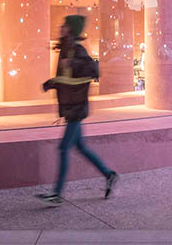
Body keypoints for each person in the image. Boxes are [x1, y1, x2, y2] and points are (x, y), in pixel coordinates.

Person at [36, 15, 118, 205]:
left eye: (64, 25)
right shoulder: (65, 48)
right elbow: (68, 80)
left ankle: (57, 194)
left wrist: (70, 66)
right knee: (80, 147)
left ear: (71, 29)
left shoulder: (76, 49)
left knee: (64, 148)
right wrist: (53, 83)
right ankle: (109, 174)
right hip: (72, 106)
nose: (61, 27)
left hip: (76, 108)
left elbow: (93, 70)